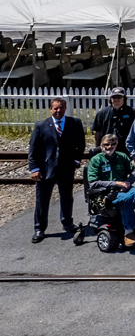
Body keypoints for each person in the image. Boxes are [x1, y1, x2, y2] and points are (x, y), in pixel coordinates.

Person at [27, 98, 85, 243]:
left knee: (67, 197)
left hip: (66, 168)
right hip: (46, 170)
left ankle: (67, 223)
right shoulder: (41, 126)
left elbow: (81, 143)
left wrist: (76, 161)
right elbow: (33, 149)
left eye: (61, 108)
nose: (58, 111)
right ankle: (39, 228)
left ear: (65, 108)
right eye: (55, 108)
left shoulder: (75, 123)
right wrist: (34, 169)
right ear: (50, 109)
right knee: (42, 200)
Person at [86, 134, 135, 247]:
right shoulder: (96, 160)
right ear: (101, 145)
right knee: (126, 198)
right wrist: (116, 183)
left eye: (113, 144)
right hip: (104, 193)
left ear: (116, 145)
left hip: (123, 187)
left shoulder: (122, 157)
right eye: (106, 144)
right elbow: (93, 182)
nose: (109, 147)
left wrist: (127, 183)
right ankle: (129, 232)